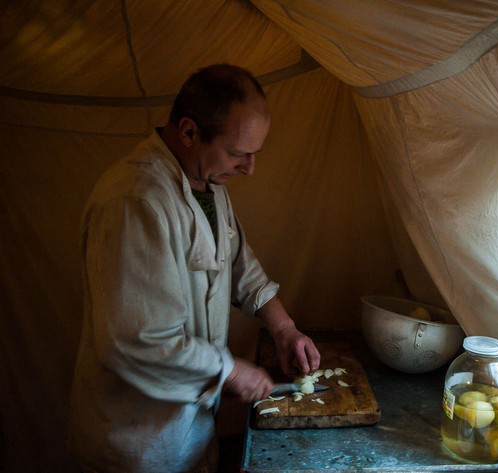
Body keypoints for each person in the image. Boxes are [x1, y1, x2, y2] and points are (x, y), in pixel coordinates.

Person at [67, 64, 320, 473]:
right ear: (189, 132)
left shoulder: (207, 184)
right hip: (137, 446)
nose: (249, 168)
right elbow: (139, 337)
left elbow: (237, 262)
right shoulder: (136, 201)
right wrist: (230, 370)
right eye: (239, 153)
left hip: (190, 434)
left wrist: (283, 327)